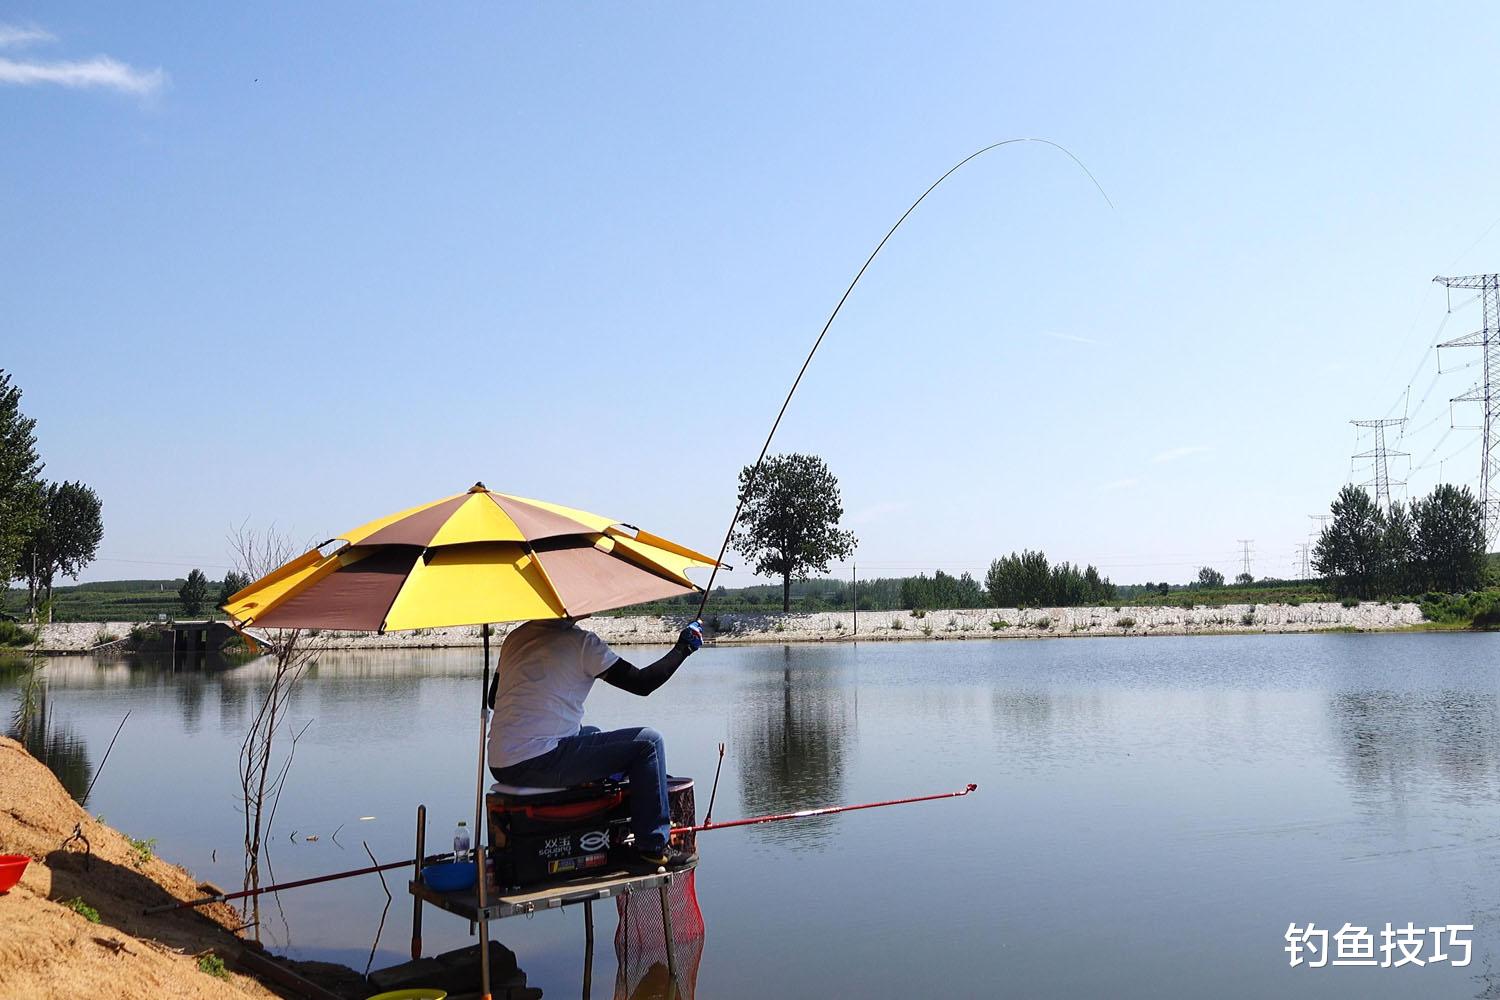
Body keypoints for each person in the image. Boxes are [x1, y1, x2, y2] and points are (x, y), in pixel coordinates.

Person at [487, 617, 704, 870]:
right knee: (649, 744)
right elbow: (642, 683)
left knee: (591, 733)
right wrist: (683, 648)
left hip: (501, 762)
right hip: (537, 761)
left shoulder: (517, 636)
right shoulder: (582, 643)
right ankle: (653, 849)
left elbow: (494, 699)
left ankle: (632, 796)